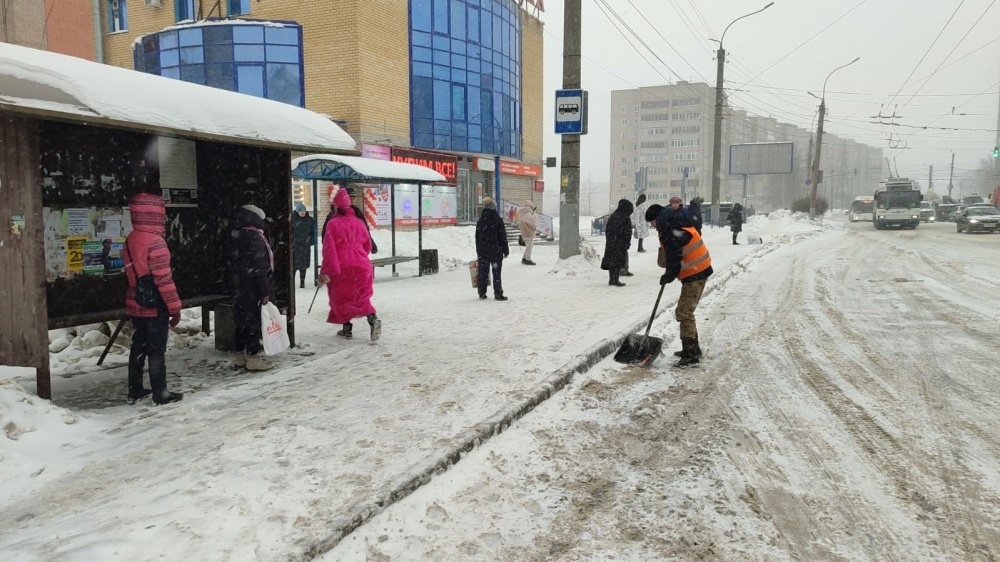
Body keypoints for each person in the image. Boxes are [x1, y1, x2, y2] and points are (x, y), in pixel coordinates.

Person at [123, 192, 183, 405]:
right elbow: (164, 281)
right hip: (154, 304)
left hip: (136, 301)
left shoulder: (131, 238)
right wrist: (175, 308)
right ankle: (160, 392)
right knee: (156, 350)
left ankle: (135, 389)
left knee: (138, 346)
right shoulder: (156, 242)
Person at [319, 188, 381, 340]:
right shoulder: (358, 222)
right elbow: (367, 245)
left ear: (336, 206)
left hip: (342, 265)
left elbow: (329, 249)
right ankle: (373, 319)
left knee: (341, 296)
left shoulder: (332, 224)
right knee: (361, 296)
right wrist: (357, 254)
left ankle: (346, 328)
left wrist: (327, 270)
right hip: (361, 264)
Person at [656, 211, 714, 367]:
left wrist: (668, 276)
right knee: (686, 311)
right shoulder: (679, 227)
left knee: (684, 312)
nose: (652, 226)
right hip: (699, 271)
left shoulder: (672, 234)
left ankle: (690, 354)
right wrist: (668, 274)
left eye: (652, 222)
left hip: (695, 275)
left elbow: (674, 261)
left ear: (658, 220)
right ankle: (693, 349)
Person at [230, 204, 276, 371]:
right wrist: (265, 292)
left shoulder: (236, 235)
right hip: (252, 288)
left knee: (241, 321)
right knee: (253, 322)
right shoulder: (255, 238)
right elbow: (260, 268)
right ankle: (253, 357)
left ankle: (240, 355)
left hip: (238, 286)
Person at [475, 197, 510, 300]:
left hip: (483, 250)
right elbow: (502, 236)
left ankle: (482, 293)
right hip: (495, 250)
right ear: (493, 206)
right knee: (496, 273)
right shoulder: (497, 220)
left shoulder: (480, 220)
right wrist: (505, 249)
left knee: (483, 272)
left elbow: (477, 237)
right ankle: (498, 293)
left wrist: (479, 250)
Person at [601, 198, 634, 287]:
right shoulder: (625, 217)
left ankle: (611, 280)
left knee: (612, 261)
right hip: (620, 243)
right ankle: (615, 280)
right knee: (618, 262)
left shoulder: (614, 215)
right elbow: (627, 232)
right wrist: (627, 243)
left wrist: (610, 239)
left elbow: (607, 229)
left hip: (611, 242)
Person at [292, 202, 315, 288]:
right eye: (301, 211)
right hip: (295, 246)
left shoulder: (309, 219)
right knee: (294, 266)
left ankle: (302, 282)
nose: (303, 212)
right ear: (297, 211)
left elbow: (313, 232)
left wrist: (310, 241)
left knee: (303, 265)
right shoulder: (293, 219)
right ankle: (292, 283)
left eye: (304, 211)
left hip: (305, 246)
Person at [518, 199, 538, 265]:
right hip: (529, 232)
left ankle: (524, 258)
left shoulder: (522, 214)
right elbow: (534, 223)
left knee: (529, 246)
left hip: (524, 232)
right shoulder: (529, 214)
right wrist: (534, 214)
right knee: (529, 247)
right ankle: (528, 259)